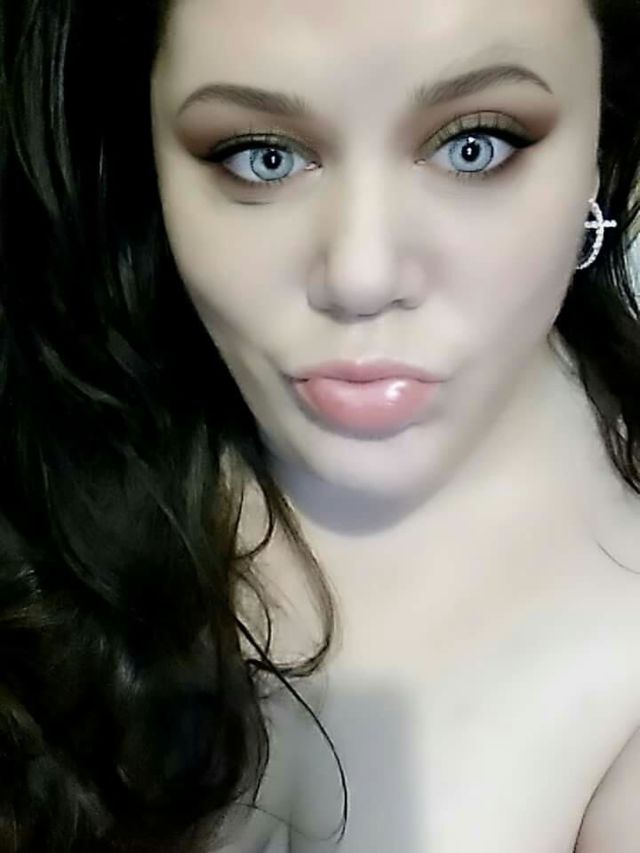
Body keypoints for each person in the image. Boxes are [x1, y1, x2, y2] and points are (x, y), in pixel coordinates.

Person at [0, 0, 639, 850]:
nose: (361, 275)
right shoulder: (57, 421)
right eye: (262, 156)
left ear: (603, 132)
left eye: (474, 145)